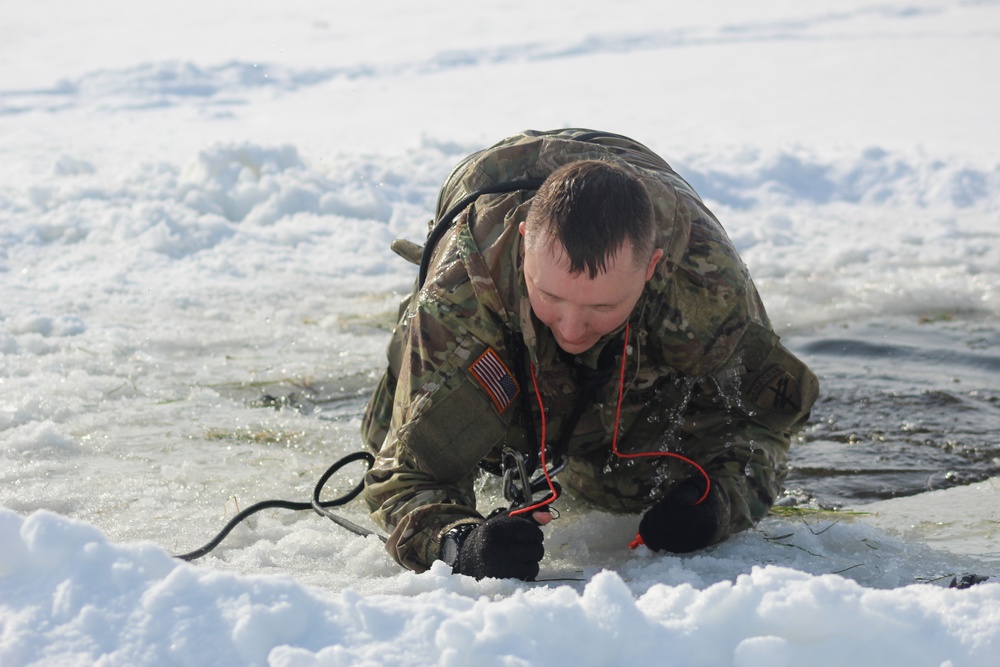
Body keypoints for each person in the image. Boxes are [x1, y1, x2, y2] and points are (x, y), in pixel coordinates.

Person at [360, 129, 819, 581]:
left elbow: (765, 423)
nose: (572, 327)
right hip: (483, 286)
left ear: (651, 268)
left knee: (624, 489)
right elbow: (403, 477)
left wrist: (717, 506)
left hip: (641, 345)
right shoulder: (462, 292)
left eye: (602, 306)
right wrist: (461, 543)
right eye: (551, 296)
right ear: (523, 245)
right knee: (404, 438)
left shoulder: (704, 286)